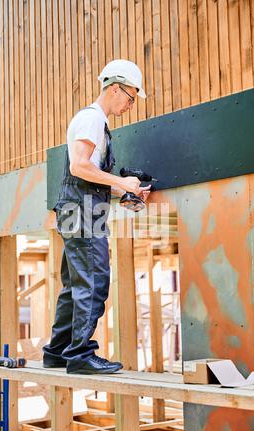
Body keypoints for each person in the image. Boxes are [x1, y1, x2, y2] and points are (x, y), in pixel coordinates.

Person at [43, 59, 150, 374]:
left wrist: (123, 192)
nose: (131, 104)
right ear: (114, 88)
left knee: (75, 283)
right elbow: (79, 166)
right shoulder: (92, 120)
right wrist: (120, 181)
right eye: (130, 97)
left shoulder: (93, 122)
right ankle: (80, 356)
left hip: (77, 206)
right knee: (95, 279)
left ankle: (57, 352)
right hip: (82, 210)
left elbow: (84, 175)